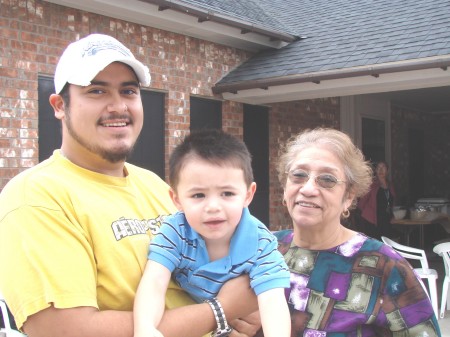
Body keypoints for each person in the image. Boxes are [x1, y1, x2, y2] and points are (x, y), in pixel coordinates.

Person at [0, 33, 261, 337]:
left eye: (128, 91)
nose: (118, 106)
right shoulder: (37, 197)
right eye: (97, 91)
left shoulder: (152, 184)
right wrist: (220, 311)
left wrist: (244, 310)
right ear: (59, 105)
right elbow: (66, 330)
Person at [273, 128, 441, 336]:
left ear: (349, 197)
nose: (308, 189)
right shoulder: (263, 251)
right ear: (285, 187)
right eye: (298, 175)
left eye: (327, 179)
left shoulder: (385, 267)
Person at [134, 129, 291, 337]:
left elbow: (273, 300)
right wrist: (145, 328)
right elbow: (154, 281)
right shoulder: (175, 231)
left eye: (227, 193)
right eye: (198, 195)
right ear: (177, 199)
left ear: (248, 194)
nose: (213, 206)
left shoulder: (260, 243)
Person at [357, 161, 397, 240]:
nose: (381, 170)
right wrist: (368, 213)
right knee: (375, 245)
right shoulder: (372, 185)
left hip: (386, 219)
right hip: (372, 220)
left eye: (383, 168)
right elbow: (361, 203)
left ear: (387, 171)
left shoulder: (390, 185)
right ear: (376, 171)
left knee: (385, 243)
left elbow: (393, 201)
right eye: (378, 168)